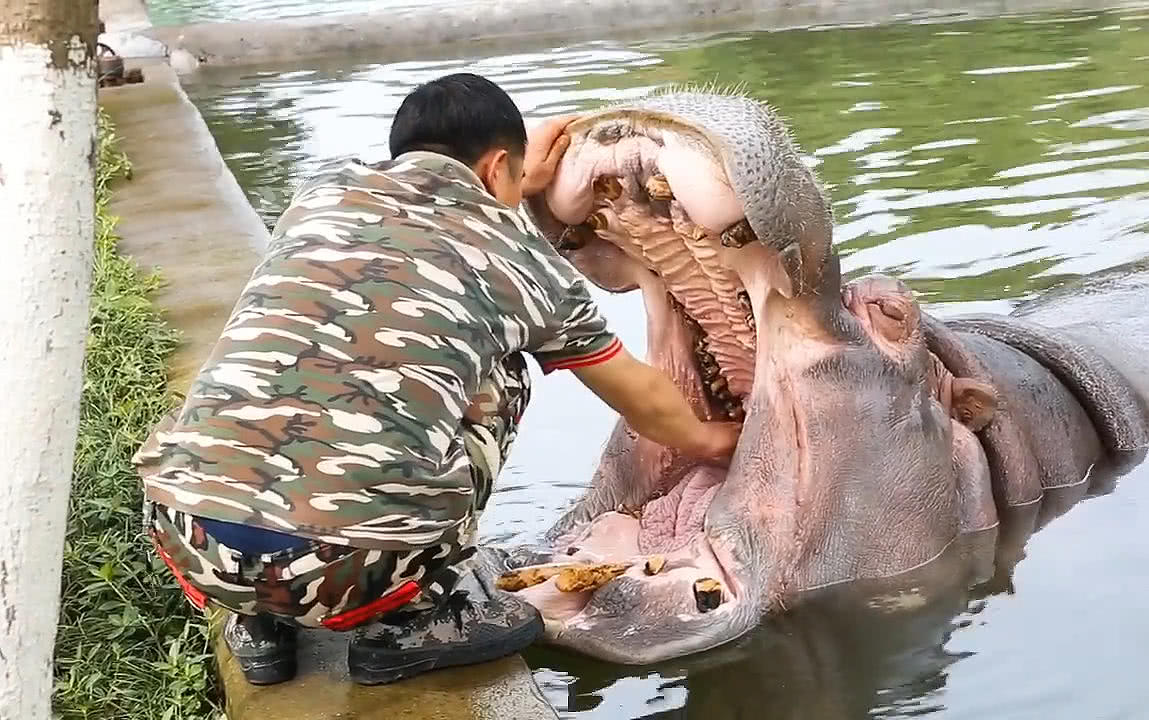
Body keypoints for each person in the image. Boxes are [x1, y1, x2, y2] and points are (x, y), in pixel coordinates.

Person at [133, 72, 741, 687]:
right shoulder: (520, 262)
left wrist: (505, 171)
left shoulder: (322, 190)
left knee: (265, 378)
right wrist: (716, 442)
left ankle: (257, 626)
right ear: (498, 165)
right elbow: (641, 397)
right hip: (346, 572)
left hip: (189, 541)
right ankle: (411, 623)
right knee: (502, 374)